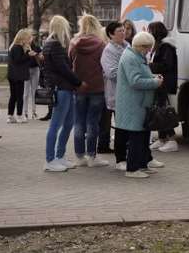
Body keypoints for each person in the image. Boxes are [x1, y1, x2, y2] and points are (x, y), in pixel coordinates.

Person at [115, 31, 164, 178]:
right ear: (141, 46)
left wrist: (154, 77)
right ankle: (132, 169)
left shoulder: (136, 55)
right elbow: (135, 81)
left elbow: (141, 75)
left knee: (143, 135)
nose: (149, 51)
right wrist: (155, 82)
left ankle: (142, 165)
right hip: (133, 104)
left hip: (140, 103)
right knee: (136, 136)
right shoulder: (130, 58)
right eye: (148, 47)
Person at [42, 15, 84, 172]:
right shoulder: (55, 44)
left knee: (68, 123)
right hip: (62, 88)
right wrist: (79, 82)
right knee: (57, 124)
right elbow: (63, 69)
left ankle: (59, 156)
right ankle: (50, 159)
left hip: (64, 88)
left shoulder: (51, 43)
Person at [70, 14, 109, 167]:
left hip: (79, 86)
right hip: (97, 87)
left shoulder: (74, 43)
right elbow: (104, 66)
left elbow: (69, 62)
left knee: (79, 122)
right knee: (93, 122)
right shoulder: (101, 44)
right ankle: (92, 156)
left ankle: (79, 156)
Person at [100, 21, 129, 169]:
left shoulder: (128, 46)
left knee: (129, 126)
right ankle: (120, 159)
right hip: (116, 95)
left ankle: (133, 155)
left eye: (123, 30)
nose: (123, 33)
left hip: (130, 94)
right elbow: (111, 72)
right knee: (121, 127)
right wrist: (130, 73)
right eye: (119, 31)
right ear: (111, 34)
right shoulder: (109, 50)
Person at [147, 21, 179, 153]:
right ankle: (162, 138)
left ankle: (171, 139)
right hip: (158, 81)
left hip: (164, 82)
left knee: (163, 111)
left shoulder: (166, 46)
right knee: (158, 110)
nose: (149, 34)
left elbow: (166, 65)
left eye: (150, 31)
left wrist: (149, 66)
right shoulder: (159, 46)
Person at [7, 29, 37, 123]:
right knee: (18, 96)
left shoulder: (14, 47)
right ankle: (19, 115)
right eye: (28, 38)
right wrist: (29, 55)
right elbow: (18, 60)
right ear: (22, 38)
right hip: (17, 75)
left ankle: (11, 116)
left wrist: (27, 54)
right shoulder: (17, 47)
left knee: (14, 96)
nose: (29, 40)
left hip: (13, 75)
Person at [23, 31, 42, 120]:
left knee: (34, 92)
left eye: (31, 37)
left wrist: (38, 55)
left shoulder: (36, 47)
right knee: (26, 92)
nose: (30, 39)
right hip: (26, 70)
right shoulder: (23, 47)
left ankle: (34, 112)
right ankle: (25, 112)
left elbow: (41, 56)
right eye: (29, 37)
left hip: (35, 69)